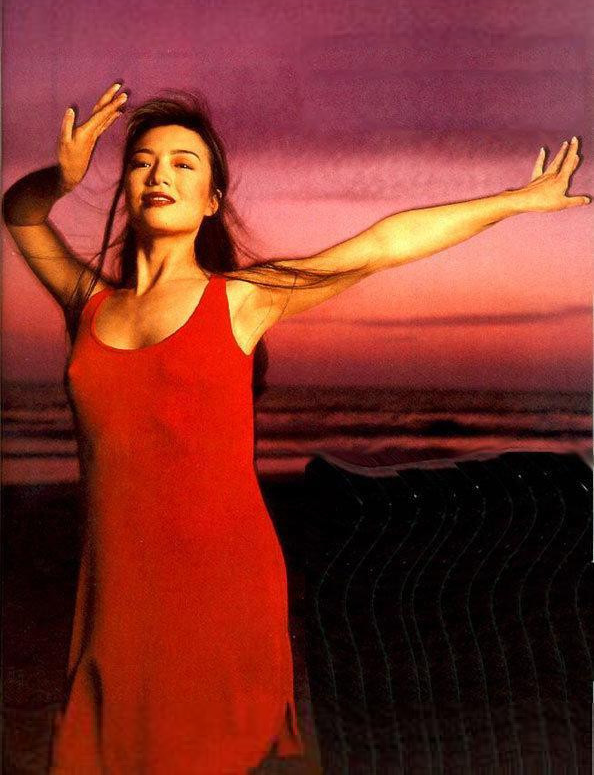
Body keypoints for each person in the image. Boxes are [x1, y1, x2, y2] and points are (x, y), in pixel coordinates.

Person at [2, 82, 589, 774]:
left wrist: (515, 201)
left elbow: (380, 245)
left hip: (220, 584)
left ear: (212, 199)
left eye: (185, 164)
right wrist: (61, 177)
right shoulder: (88, 305)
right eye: (143, 162)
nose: (161, 174)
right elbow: (21, 212)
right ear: (126, 188)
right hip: (113, 593)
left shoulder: (241, 300)